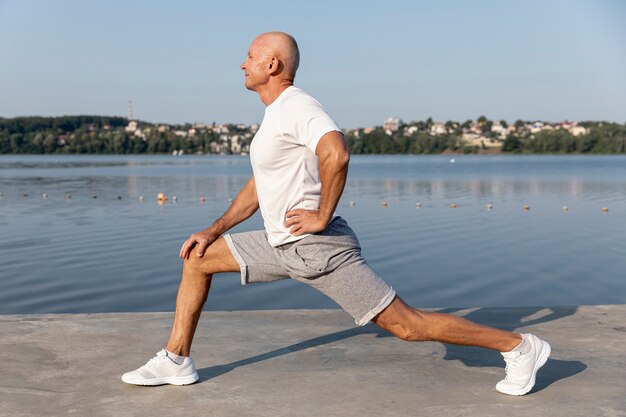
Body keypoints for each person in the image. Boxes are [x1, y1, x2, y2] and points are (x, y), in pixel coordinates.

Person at [122, 31, 550, 396]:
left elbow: (337, 153)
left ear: (272, 64)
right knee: (198, 259)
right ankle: (176, 360)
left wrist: (322, 215)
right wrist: (212, 229)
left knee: (407, 325)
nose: (242, 64)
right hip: (280, 243)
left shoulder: (297, 106)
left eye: (250, 57)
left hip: (316, 247)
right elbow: (259, 188)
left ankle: (518, 346)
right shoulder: (275, 116)